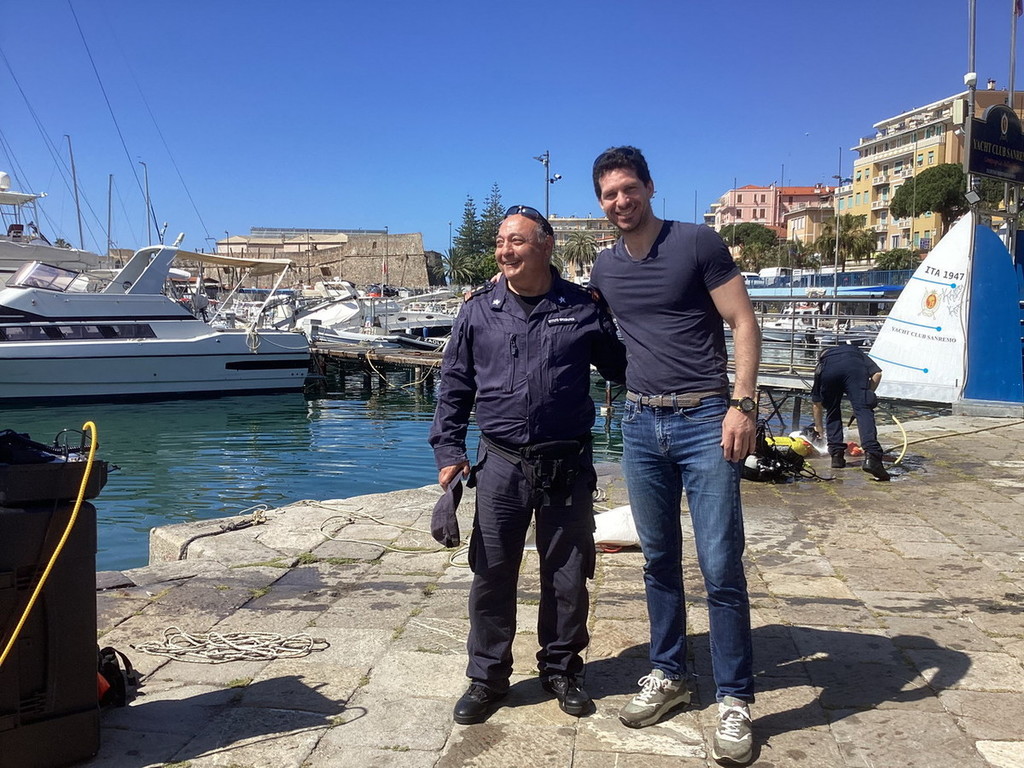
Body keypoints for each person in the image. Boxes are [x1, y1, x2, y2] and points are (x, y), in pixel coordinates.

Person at [588, 146, 761, 766]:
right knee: (658, 559)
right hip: (640, 422)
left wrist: (742, 405)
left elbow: (743, 322)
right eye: (609, 194)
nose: (621, 201)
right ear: (601, 202)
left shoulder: (696, 243)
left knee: (720, 565)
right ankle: (670, 673)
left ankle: (735, 698)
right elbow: (579, 320)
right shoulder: (605, 266)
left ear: (649, 187)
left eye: (628, 189)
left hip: (706, 418)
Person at [428, 204, 627, 725]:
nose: (504, 251)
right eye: (500, 242)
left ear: (545, 245)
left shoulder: (582, 306)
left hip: (567, 464)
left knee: (567, 575)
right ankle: (488, 677)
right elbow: (454, 386)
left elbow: (620, 367)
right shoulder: (478, 309)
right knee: (492, 574)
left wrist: (619, 311)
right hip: (500, 463)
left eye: (515, 241)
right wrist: (449, 452)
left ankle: (561, 669)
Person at [811, 342, 890, 481]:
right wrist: (866, 396)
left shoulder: (823, 363)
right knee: (863, 410)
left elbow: (817, 403)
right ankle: (872, 457)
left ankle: (836, 456)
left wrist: (819, 428)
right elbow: (877, 374)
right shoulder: (855, 351)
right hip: (854, 369)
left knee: (832, 410)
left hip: (829, 374)